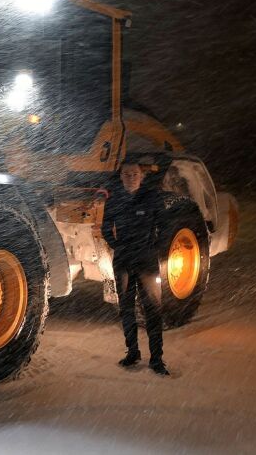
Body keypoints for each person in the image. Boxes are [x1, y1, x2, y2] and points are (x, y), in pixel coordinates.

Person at [101, 157, 170, 376]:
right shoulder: (114, 200)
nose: (130, 178)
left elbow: (164, 226)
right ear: (121, 176)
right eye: (126, 174)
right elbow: (105, 227)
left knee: (153, 309)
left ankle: (157, 358)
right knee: (126, 308)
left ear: (142, 176)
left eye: (135, 174)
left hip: (146, 261)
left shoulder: (151, 198)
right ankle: (133, 352)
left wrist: (153, 248)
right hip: (123, 260)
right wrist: (117, 245)